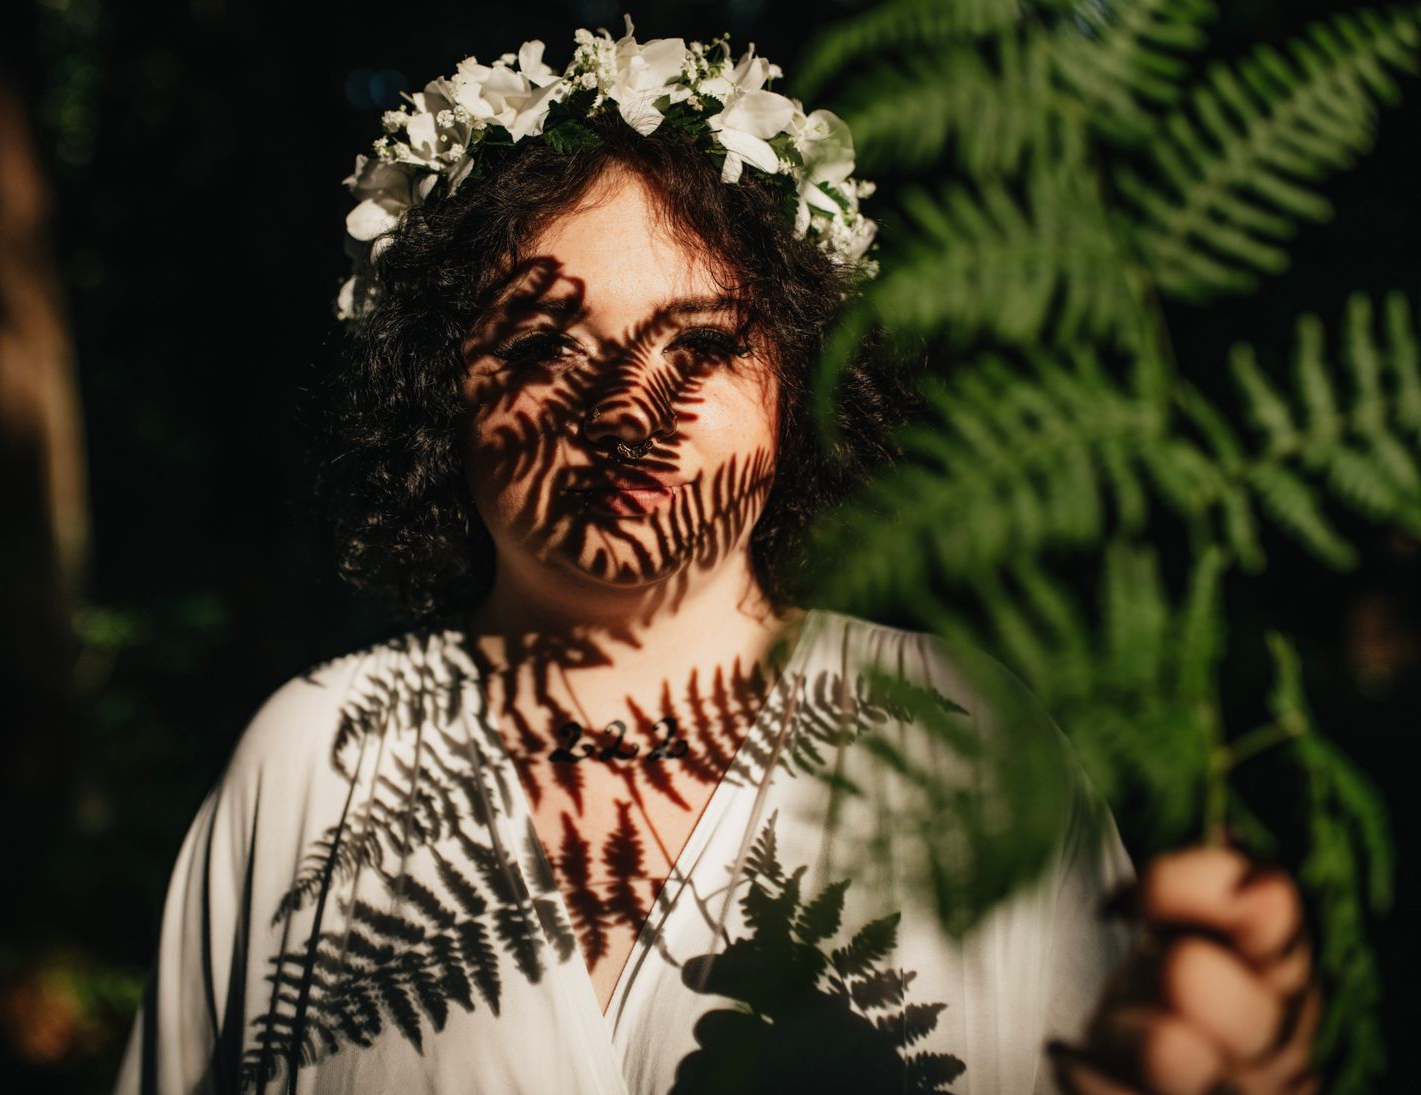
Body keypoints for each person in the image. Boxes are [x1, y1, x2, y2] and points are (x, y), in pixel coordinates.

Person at [115, 21, 1317, 1095]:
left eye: (699, 349)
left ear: (794, 388)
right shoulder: (314, 763)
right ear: (442, 389)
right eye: (545, 343)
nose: (627, 412)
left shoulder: (959, 739)